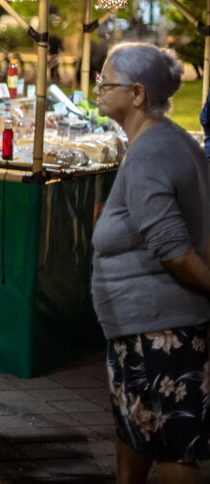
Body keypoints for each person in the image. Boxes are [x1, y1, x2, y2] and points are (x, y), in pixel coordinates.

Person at [90, 43, 210, 484]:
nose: (98, 89)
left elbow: (175, 252)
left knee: (173, 446)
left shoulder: (151, 153)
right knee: (138, 430)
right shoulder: (166, 141)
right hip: (145, 328)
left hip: (161, 332)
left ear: (137, 93)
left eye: (106, 83)